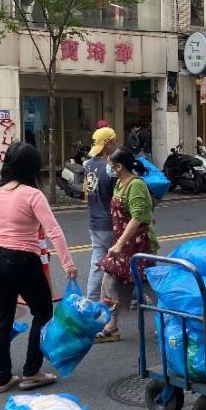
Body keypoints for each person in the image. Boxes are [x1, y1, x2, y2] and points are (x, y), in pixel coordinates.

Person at [0, 141, 78, 393]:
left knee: (2, 318)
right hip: (22, 260)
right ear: (31, 167)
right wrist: (68, 263)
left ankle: (3, 378)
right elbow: (53, 231)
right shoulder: (32, 195)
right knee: (42, 313)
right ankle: (31, 372)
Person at [95, 148, 157, 343]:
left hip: (139, 246)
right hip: (123, 245)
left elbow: (138, 217)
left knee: (148, 285)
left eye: (110, 165)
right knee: (111, 282)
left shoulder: (136, 185)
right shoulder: (120, 183)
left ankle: (171, 318)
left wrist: (120, 244)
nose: (108, 168)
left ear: (119, 166)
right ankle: (111, 326)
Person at [84, 127, 117, 302]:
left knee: (97, 264)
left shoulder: (88, 165)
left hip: (94, 223)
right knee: (119, 262)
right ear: (107, 144)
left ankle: (91, 300)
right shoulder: (110, 166)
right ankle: (124, 299)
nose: (116, 144)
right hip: (110, 222)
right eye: (114, 140)